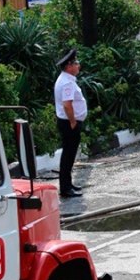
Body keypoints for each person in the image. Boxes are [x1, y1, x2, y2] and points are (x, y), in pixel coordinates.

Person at [54, 49, 88, 198]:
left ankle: (68, 184)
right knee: (68, 155)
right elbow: (67, 105)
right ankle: (66, 188)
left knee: (69, 155)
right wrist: (73, 121)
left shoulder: (67, 80)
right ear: (69, 66)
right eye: (76, 63)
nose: (78, 66)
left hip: (69, 122)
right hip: (69, 123)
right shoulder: (67, 83)